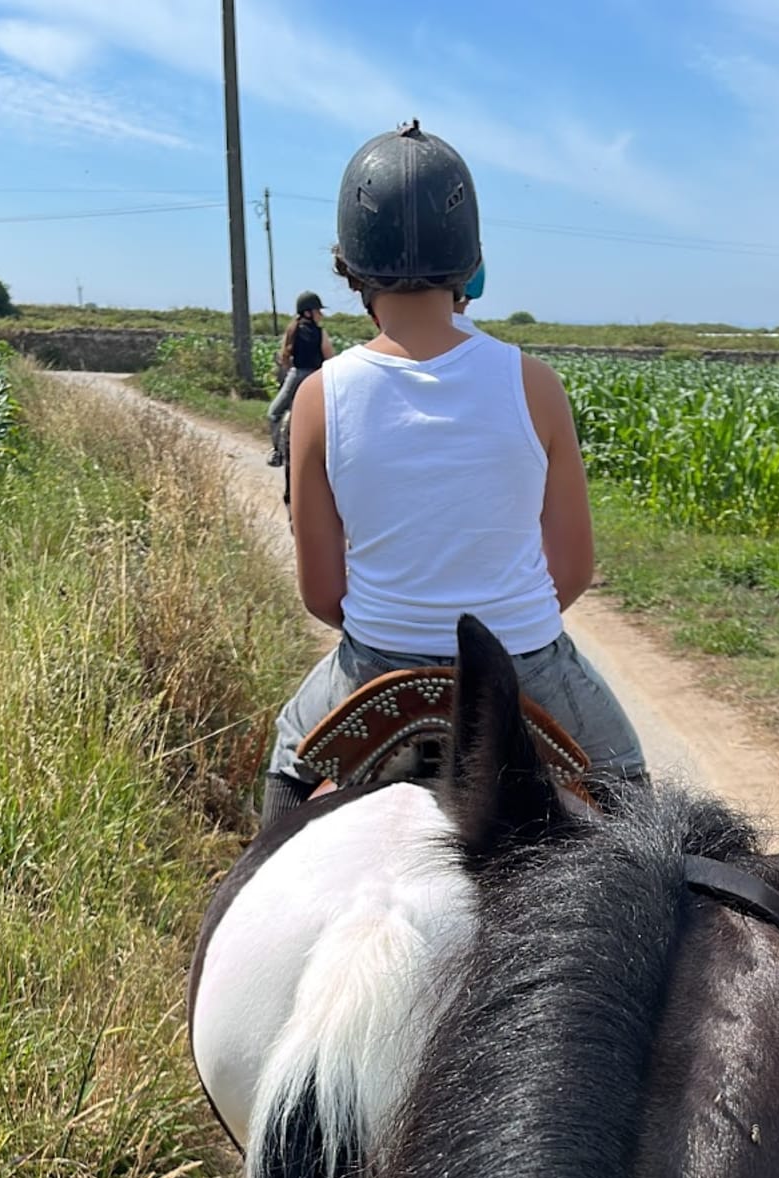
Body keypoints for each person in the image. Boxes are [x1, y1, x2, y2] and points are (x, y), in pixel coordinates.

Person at [260, 121, 644, 824]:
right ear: (471, 262)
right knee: (630, 786)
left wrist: (411, 619)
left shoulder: (319, 397)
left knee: (289, 767)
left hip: (376, 665)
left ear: (351, 266)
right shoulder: (535, 383)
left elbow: (322, 594)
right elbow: (575, 567)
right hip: (525, 662)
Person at [267, 294, 333, 465]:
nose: (321, 314)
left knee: (274, 413)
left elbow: (284, 357)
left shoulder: (292, 330)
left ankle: (277, 453)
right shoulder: (321, 333)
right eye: (318, 310)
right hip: (318, 376)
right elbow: (329, 357)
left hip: (297, 375)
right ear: (308, 312)